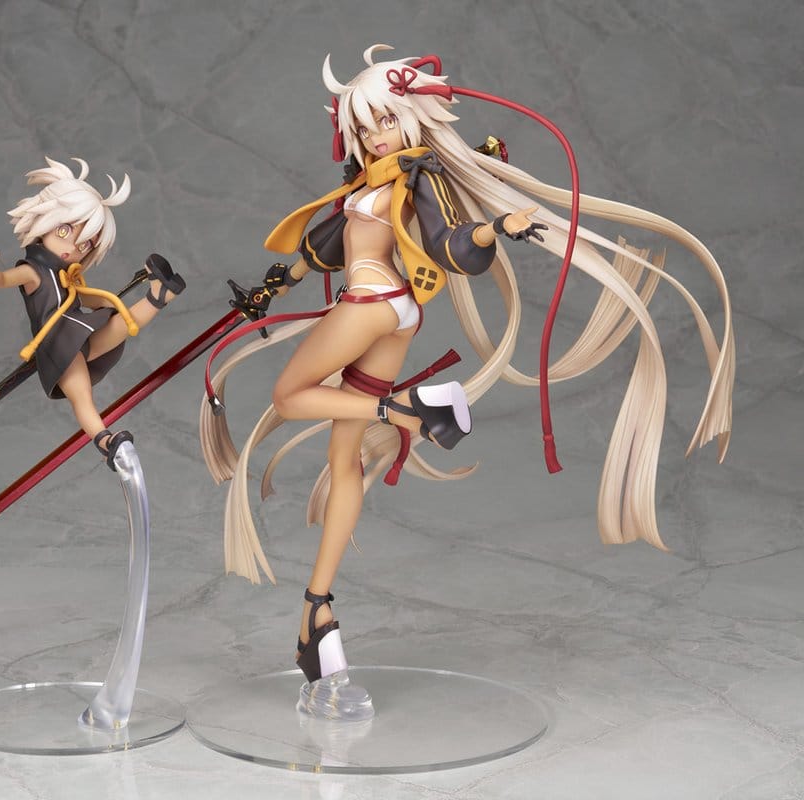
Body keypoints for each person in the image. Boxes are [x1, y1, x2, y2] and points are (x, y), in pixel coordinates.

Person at [200, 45, 734, 687]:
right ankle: (318, 613)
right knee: (344, 464)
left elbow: (450, 244)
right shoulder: (371, 183)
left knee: (289, 397)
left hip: (372, 306)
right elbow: (322, 247)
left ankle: (408, 410)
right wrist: (269, 289)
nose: (374, 136)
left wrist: (495, 229)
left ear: (411, 119)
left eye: (385, 121)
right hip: (391, 316)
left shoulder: (412, 180)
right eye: (363, 127)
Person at [0, 156, 186, 469]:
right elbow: (5, 279)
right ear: (46, 222)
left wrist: (108, 305)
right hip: (58, 346)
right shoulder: (33, 271)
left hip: (78, 334)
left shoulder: (67, 276)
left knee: (120, 324)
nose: (73, 247)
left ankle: (159, 295)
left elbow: (87, 299)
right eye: (65, 231)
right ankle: (105, 441)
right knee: (82, 396)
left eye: (85, 245)